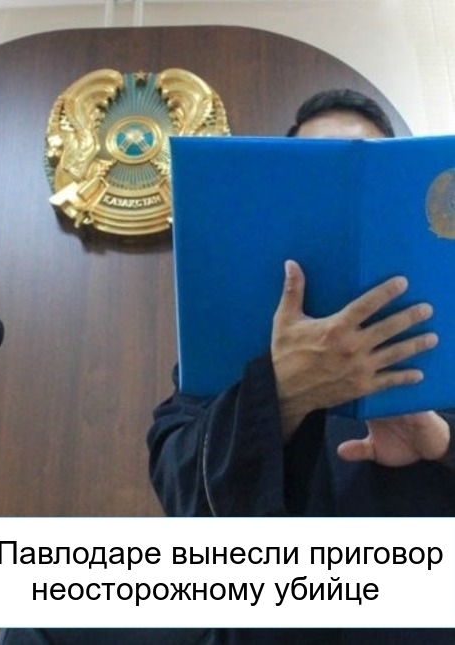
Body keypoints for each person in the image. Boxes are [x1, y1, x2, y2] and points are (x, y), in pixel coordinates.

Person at [147, 88, 455, 643]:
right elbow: (184, 500)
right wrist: (281, 394)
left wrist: (441, 442)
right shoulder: (223, 349)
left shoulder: (443, 332)